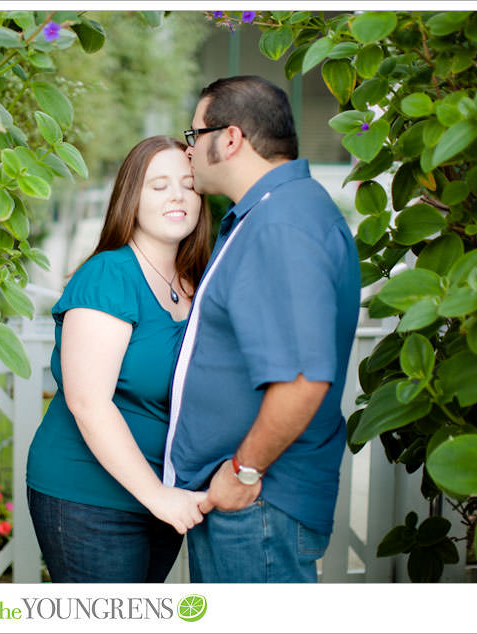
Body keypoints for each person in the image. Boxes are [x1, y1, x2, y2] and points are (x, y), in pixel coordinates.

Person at [162, 75, 361, 582]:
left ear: (229, 139)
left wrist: (242, 471)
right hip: (248, 501)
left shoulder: (281, 222)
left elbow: (302, 378)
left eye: (193, 138)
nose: (188, 154)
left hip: (257, 502)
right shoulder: (271, 214)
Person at [26, 136, 212, 582]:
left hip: (160, 495)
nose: (177, 196)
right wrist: (158, 496)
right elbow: (88, 403)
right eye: (159, 185)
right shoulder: (109, 275)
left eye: (188, 185)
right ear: (132, 197)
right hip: (88, 495)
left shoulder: (196, 281)